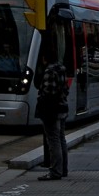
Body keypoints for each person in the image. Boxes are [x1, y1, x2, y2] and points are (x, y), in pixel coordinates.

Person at [36, 42, 69, 181]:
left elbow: (48, 93)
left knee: (53, 140)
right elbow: (65, 90)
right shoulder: (62, 68)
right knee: (61, 138)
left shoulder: (49, 71)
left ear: (45, 58)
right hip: (62, 108)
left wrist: (40, 98)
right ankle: (63, 169)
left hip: (52, 111)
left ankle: (55, 171)